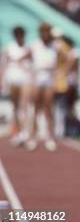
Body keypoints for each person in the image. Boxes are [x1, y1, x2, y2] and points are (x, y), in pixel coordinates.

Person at [26, 23, 58, 152]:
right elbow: (27, 59)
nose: (45, 34)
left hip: (49, 77)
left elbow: (65, 59)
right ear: (40, 32)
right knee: (36, 108)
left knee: (49, 108)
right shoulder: (34, 45)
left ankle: (49, 137)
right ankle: (32, 137)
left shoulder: (55, 46)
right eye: (43, 31)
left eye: (47, 31)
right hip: (37, 77)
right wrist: (31, 77)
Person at [1, 27, 32, 146]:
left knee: (23, 106)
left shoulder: (28, 48)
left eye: (21, 34)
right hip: (12, 78)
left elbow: (32, 64)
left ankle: (25, 133)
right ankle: (17, 132)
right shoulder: (9, 47)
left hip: (24, 78)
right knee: (15, 107)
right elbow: (4, 64)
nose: (19, 37)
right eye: (17, 34)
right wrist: (2, 80)